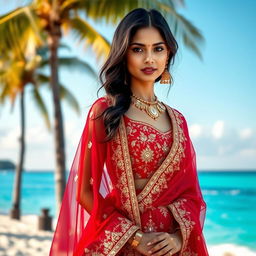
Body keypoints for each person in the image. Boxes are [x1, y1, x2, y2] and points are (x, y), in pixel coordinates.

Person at [50, 8, 209, 256]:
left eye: (158, 48)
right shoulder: (106, 111)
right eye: (138, 49)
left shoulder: (179, 120)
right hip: (123, 244)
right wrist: (136, 239)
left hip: (169, 248)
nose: (149, 58)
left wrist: (178, 238)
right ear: (124, 54)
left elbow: (191, 195)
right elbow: (86, 192)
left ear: (168, 54)